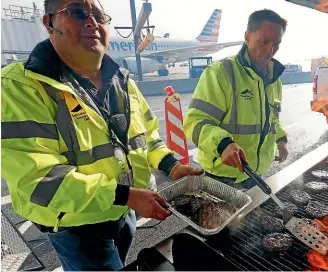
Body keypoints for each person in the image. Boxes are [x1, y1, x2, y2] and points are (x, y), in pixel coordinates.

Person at [1, 0, 203, 270]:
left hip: (122, 212)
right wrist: (127, 196)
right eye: (77, 12)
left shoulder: (122, 80)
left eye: (98, 15)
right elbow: (38, 179)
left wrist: (172, 165)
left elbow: (148, 137)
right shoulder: (21, 86)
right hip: (77, 225)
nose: (92, 22)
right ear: (49, 22)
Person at [183, 9, 289, 190]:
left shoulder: (274, 80)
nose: (270, 50)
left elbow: (272, 120)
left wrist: (281, 140)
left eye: (276, 44)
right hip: (223, 178)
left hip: (256, 175)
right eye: (264, 41)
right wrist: (223, 144)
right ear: (247, 37)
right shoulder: (221, 73)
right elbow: (196, 122)